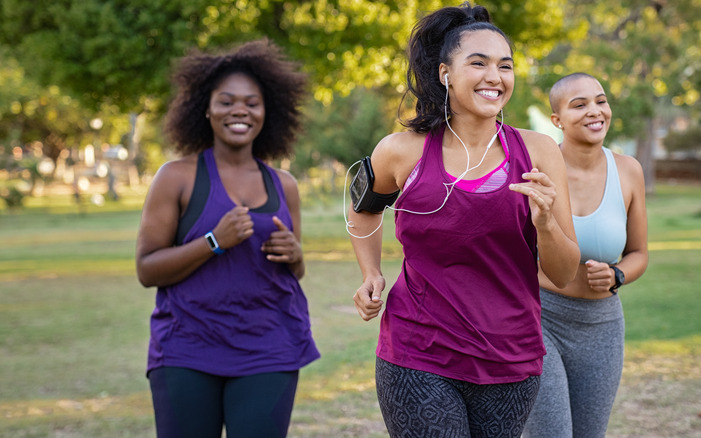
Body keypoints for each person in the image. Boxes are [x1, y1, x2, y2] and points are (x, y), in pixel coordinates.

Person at [347, 3, 580, 436]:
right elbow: (363, 209)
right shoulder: (402, 151)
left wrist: (546, 223)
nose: (495, 76)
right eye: (479, 63)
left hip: (511, 358)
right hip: (418, 353)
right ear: (444, 74)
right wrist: (370, 273)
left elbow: (564, 274)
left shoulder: (540, 153)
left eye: (505, 66)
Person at [135, 39, 319, 438]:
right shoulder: (176, 177)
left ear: (266, 112)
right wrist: (214, 241)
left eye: (252, 103)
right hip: (187, 347)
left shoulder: (283, 185)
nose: (240, 110)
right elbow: (147, 269)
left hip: (269, 346)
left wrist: (296, 255)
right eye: (226, 101)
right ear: (205, 108)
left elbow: (296, 271)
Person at [523, 73, 649, 438]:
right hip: (541, 321)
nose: (595, 111)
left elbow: (639, 253)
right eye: (579, 105)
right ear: (557, 121)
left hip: (603, 327)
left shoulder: (628, 171)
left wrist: (617, 276)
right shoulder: (534, 172)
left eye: (600, 101)